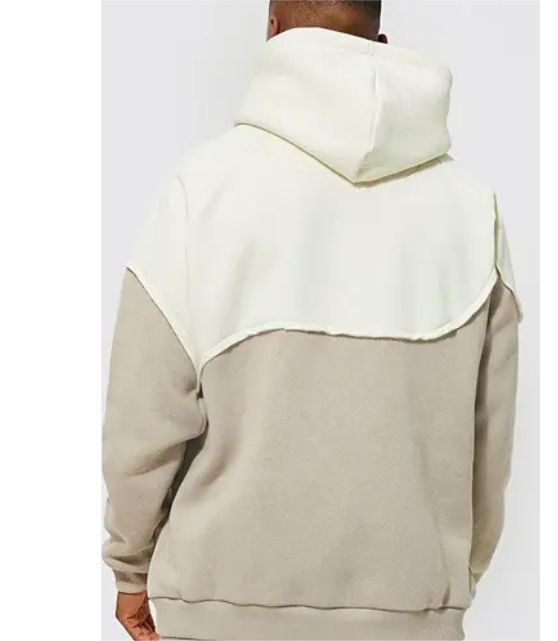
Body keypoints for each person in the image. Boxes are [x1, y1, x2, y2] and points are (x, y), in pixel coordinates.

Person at [102, 1, 521, 639]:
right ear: (379, 42)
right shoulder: (471, 208)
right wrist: (438, 592)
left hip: (218, 614)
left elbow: (144, 416)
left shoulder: (204, 190)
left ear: (272, 31)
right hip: (409, 617)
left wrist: (130, 566)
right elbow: (490, 439)